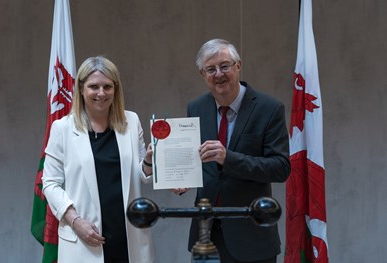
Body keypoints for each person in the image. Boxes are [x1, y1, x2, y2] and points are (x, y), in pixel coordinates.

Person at [173, 39, 291, 263]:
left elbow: (280, 168)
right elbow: (195, 159)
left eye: (225, 66)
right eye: (211, 69)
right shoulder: (196, 107)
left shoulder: (269, 108)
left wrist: (229, 158)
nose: (219, 74)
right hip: (205, 234)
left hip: (252, 235)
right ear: (202, 74)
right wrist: (180, 178)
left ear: (238, 66)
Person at [42, 56, 154, 263]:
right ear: (81, 89)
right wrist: (75, 221)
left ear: (116, 89)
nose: (101, 93)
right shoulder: (63, 128)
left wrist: (148, 160)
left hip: (128, 235)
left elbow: (142, 175)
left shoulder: (131, 121)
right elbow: (49, 183)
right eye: (94, 86)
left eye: (107, 86)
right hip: (84, 235)